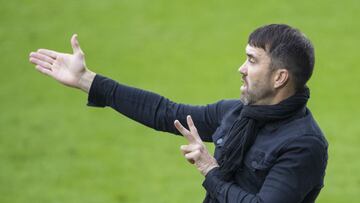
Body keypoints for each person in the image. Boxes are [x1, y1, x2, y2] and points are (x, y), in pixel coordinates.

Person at [29, 24, 328, 203]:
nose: (241, 68)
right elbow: (165, 112)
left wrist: (210, 171)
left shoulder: (303, 145)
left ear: (280, 78)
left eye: (252, 60)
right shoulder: (236, 114)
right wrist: (87, 81)